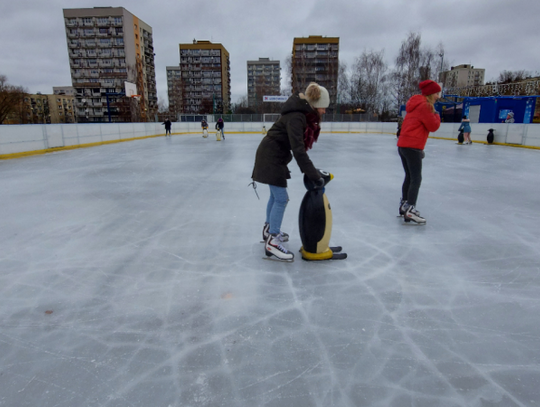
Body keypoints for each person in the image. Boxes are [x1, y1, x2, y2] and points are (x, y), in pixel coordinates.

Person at [252, 82, 329, 261]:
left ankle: (268, 230)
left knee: (275, 197)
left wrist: (312, 172)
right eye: (323, 108)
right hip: (272, 158)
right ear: (316, 105)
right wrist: (314, 176)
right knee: (281, 198)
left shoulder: (299, 114)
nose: (324, 112)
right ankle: (272, 241)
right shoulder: (297, 117)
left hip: (271, 156)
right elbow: (299, 151)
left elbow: (298, 150)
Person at [397, 80, 441, 224]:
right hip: (412, 146)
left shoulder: (414, 105)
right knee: (416, 178)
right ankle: (410, 209)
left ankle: (404, 205)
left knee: (409, 176)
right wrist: (437, 114)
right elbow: (433, 126)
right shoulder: (426, 106)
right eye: (436, 93)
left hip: (403, 145)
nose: (438, 97)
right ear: (430, 94)